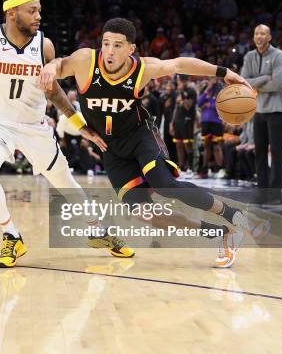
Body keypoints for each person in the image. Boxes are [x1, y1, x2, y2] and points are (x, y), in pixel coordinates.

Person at [37, 17, 263, 268]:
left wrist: (225, 72)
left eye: (118, 45)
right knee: (144, 214)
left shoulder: (142, 69)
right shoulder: (85, 60)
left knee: (164, 184)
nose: (110, 51)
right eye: (107, 43)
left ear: (131, 49)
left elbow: (179, 64)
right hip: (110, 147)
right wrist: (52, 67)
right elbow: (60, 64)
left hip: (139, 135)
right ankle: (220, 234)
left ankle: (234, 215)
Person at [0, 0, 134, 267]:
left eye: (40, 10)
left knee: (66, 182)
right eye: (33, 11)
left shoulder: (45, 46)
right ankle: (11, 235)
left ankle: (97, 230)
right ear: (12, 13)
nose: (39, 16)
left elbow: (53, 93)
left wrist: (80, 125)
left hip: (34, 127)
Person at [241, 24, 282, 204]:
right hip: (258, 109)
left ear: (269, 37)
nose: (259, 36)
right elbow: (244, 82)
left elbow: (278, 83)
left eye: (263, 33)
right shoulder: (249, 56)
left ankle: (275, 195)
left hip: (277, 110)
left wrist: (256, 84)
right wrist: (264, 78)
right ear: (254, 37)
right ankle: (263, 191)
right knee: (259, 152)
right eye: (256, 33)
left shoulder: (278, 55)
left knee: (276, 153)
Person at [197, 78, 224, 178]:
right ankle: (204, 170)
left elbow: (221, 105)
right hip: (205, 122)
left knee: (217, 147)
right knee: (206, 147)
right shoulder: (206, 89)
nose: (210, 80)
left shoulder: (220, 89)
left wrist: (210, 104)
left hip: (216, 122)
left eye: (212, 78)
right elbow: (199, 103)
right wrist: (207, 89)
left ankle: (221, 169)